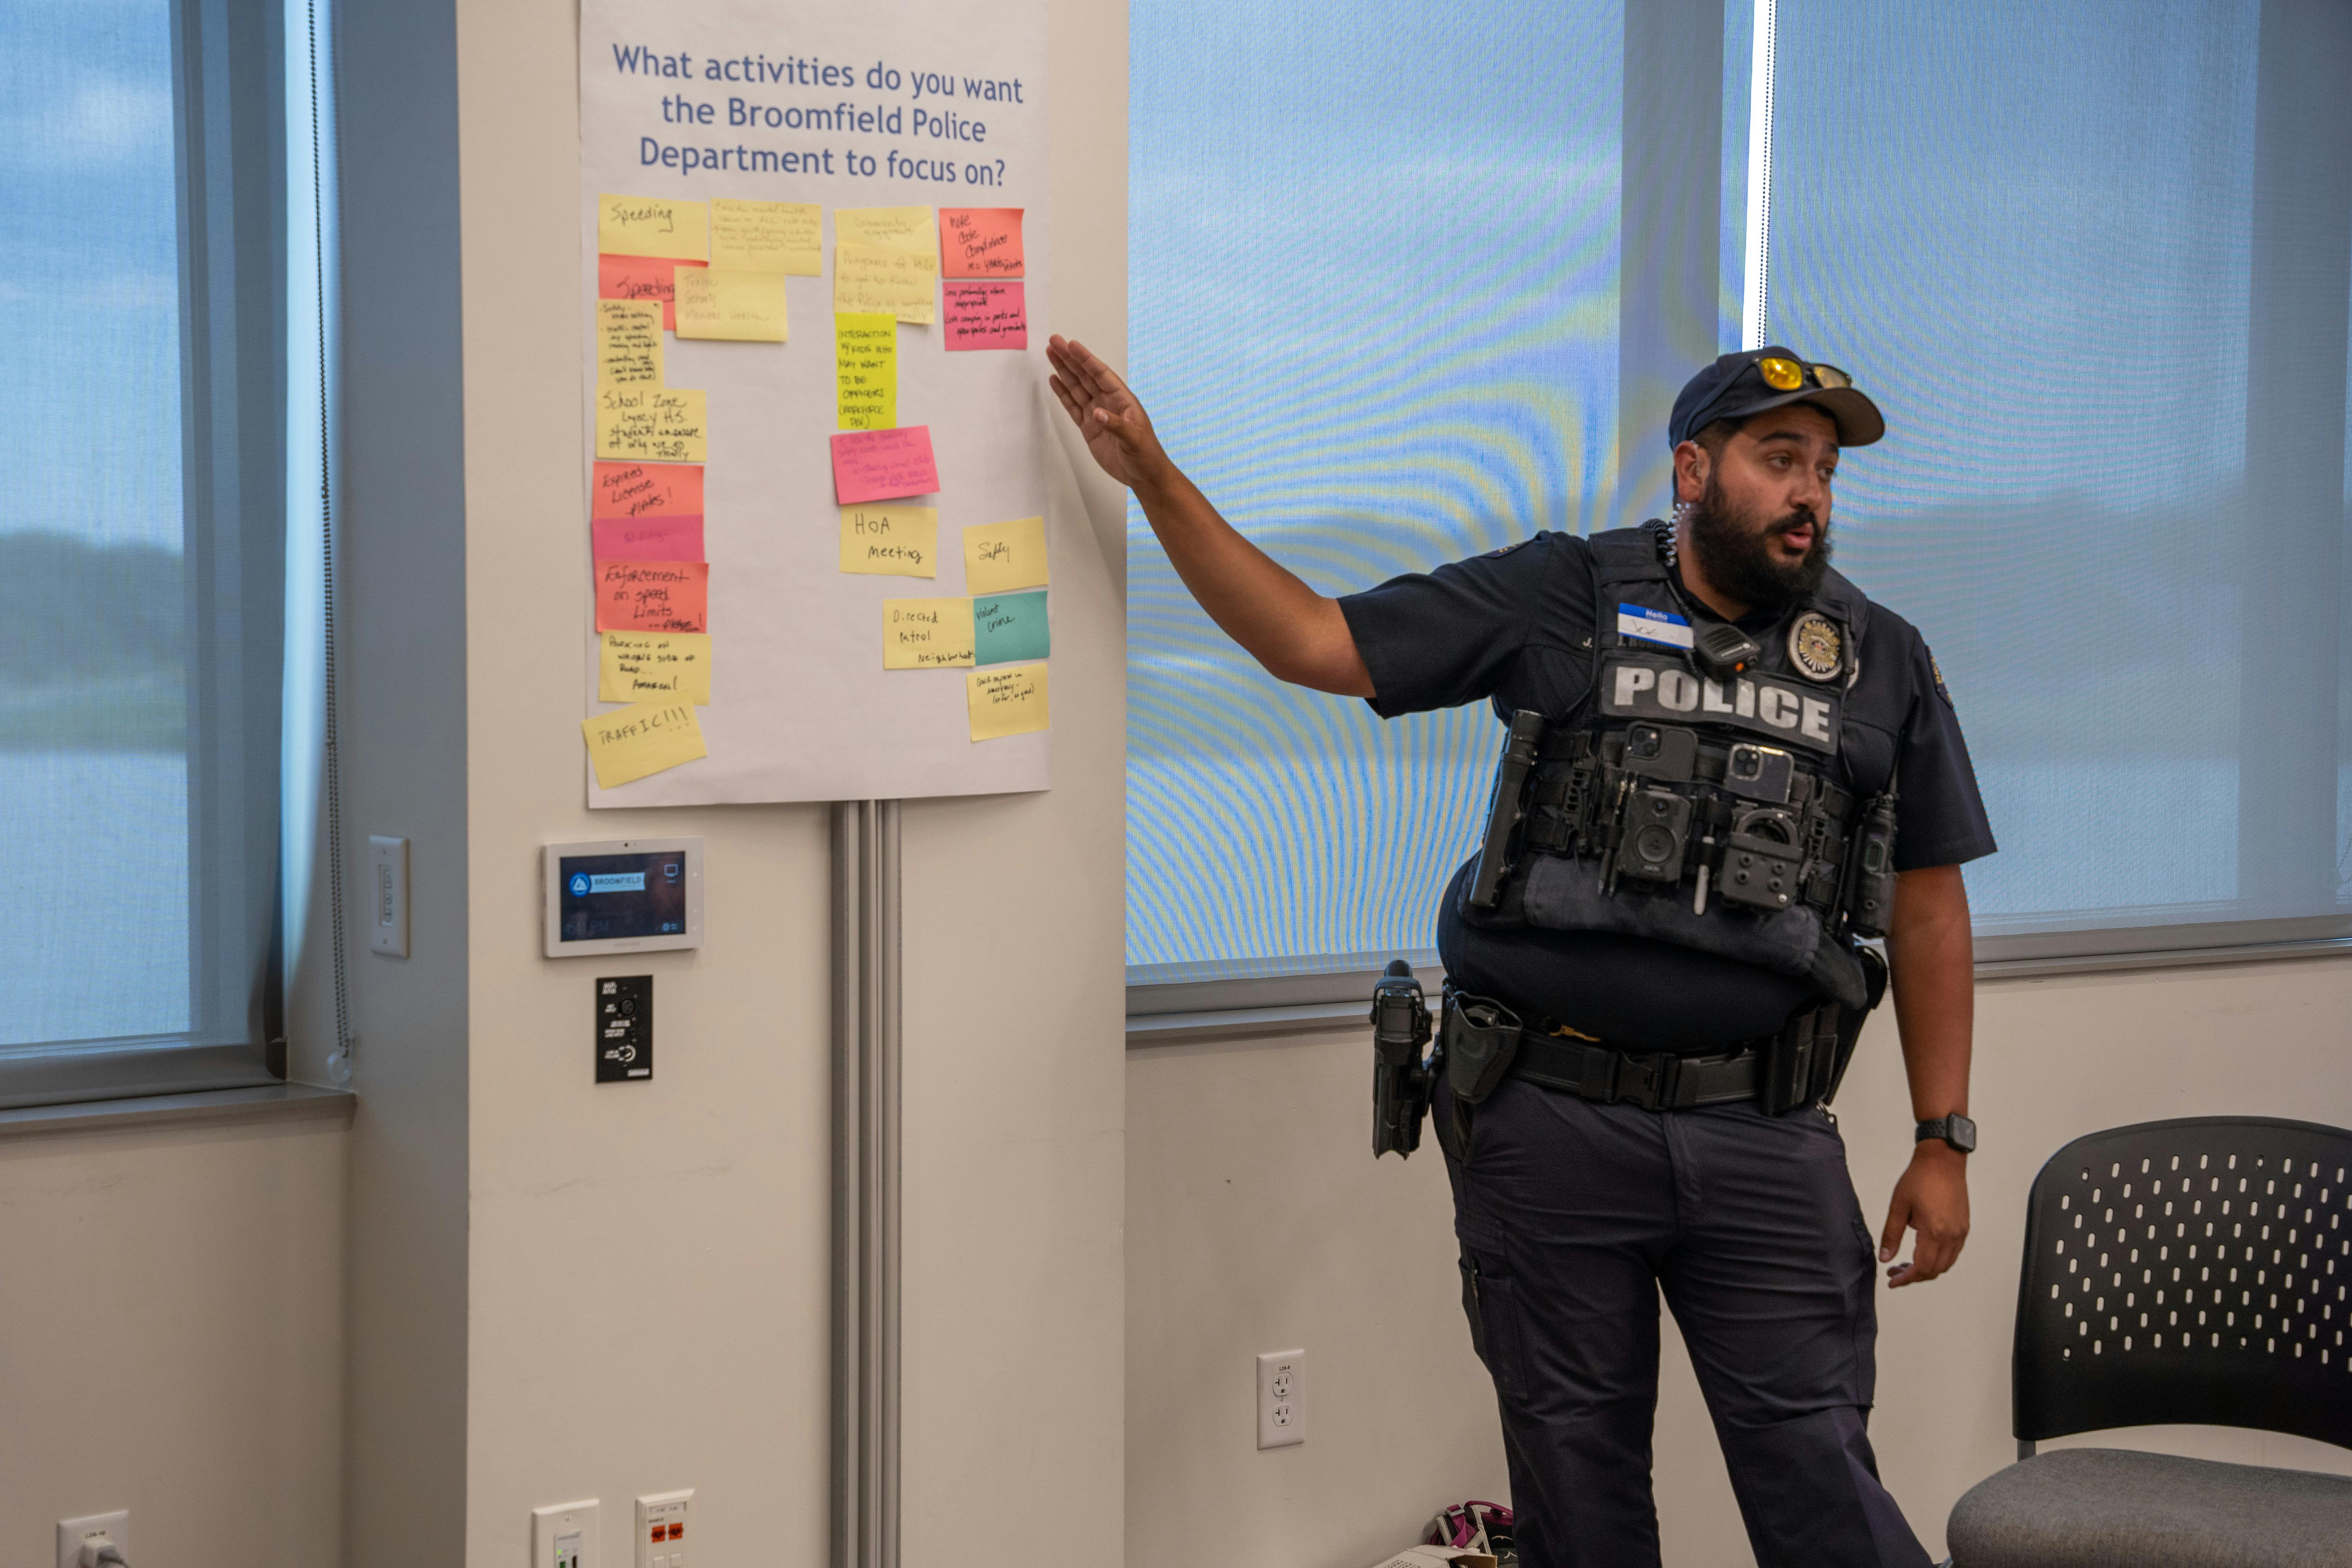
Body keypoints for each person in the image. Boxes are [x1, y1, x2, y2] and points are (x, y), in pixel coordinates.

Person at [1048, 336, 1993, 1568]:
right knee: (1579, 1489)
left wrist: (1943, 1135)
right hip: (1551, 1121)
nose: (1810, 492)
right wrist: (1156, 478)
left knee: (1822, 1481)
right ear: (1694, 471)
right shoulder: (1568, 595)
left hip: (1765, 1134)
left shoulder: (1879, 661)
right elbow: (1313, 641)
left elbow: (1926, 904)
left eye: (1823, 467)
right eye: (1779, 460)